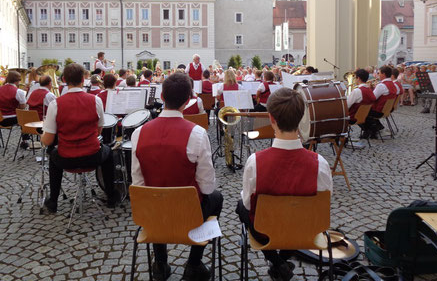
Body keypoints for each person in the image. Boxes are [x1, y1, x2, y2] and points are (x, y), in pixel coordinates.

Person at [131, 73, 223, 281]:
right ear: (188, 99)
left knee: (154, 196)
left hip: (153, 214)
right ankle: (194, 263)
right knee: (216, 198)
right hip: (188, 214)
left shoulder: (138, 133)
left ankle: (160, 263)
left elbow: (138, 184)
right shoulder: (198, 134)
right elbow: (207, 188)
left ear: (162, 96)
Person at [236, 87, 332, 281]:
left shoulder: (255, 162)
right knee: (297, 215)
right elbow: (323, 205)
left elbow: (248, 205)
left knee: (241, 206)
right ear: (301, 117)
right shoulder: (320, 163)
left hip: (265, 231)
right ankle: (280, 262)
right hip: (305, 231)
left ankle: (277, 263)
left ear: (271, 118)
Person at [40, 63, 118, 212]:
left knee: (53, 155)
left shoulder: (55, 104)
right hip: (92, 156)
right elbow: (98, 131)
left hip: (66, 158)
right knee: (108, 152)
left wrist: (43, 136)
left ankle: (53, 201)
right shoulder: (95, 100)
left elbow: (48, 140)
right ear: (83, 79)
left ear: (63, 79)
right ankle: (111, 195)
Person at [0, 70, 29, 149]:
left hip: (0, 119)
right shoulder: (19, 92)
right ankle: (25, 141)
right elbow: (23, 106)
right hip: (12, 119)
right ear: (17, 81)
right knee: (25, 117)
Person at [363, 66, 397, 138]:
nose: (378, 75)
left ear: (383, 74)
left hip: (378, 110)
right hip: (386, 109)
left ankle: (372, 130)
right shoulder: (393, 84)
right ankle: (378, 129)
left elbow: (372, 98)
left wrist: (369, 89)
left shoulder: (381, 86)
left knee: (359, 111)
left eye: (379, 73)